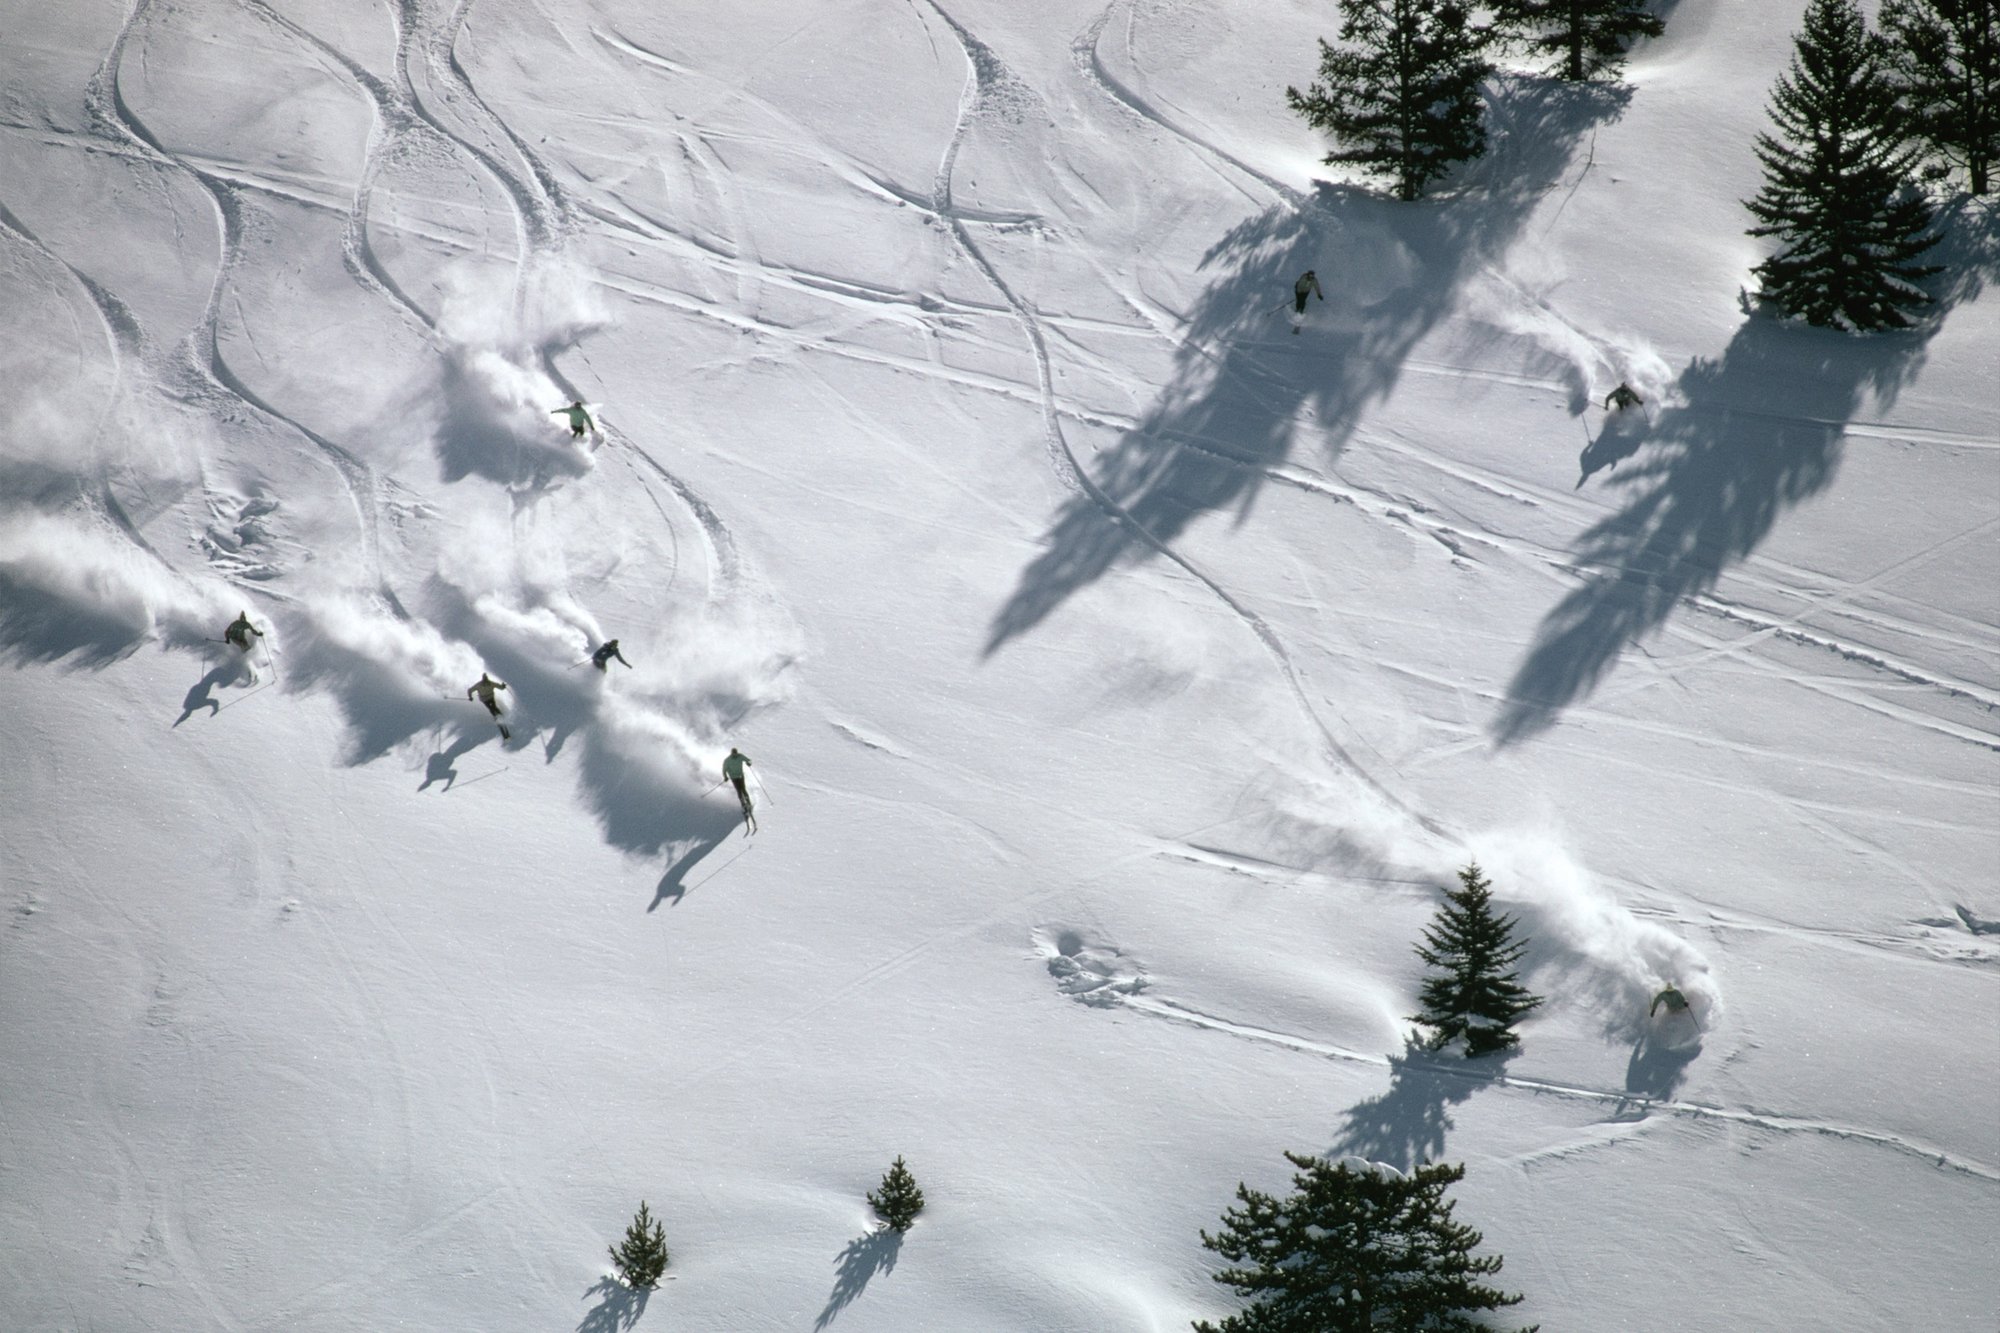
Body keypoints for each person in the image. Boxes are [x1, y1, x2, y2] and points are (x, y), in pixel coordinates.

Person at [468, 672, 511, 739]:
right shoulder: (479, 685)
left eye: (486, 681)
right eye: (485, 682)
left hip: (490, 697)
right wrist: (470, 697)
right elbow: (470, 690)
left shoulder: (491, 683)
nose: (486, 683)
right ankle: (496, 716)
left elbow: (500, 687)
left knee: (494, 707)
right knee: (491, 708)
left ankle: (499, 714)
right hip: (484, 699)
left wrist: (503, 686)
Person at [722, 746, 754, 827]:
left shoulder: (740, 756)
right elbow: (724, 770)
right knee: (739, 791)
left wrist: (748, 763)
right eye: (733, 755)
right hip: (734, 777)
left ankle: (748, 802)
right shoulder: (727, 760)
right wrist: (725, 777)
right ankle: (743, 804)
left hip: (740, 776)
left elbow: (748, 760)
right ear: (731, 754)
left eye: (736, 754)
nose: (735, 756)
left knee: (743, 789)